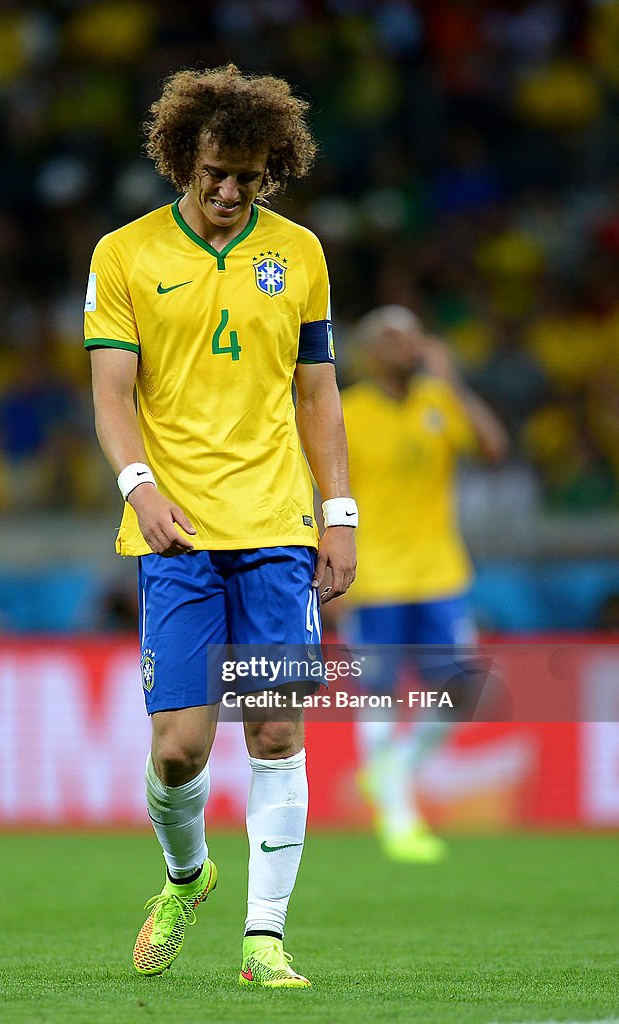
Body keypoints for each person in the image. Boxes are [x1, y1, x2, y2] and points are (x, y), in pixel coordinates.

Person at [84, 65, 357, 987]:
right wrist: (137, 487)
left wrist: (339, 514)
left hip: (277, 525)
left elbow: (317, 394)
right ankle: (186, 875)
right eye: (214, 173)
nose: (230, 191)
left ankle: (265, 940)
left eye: (249, 175)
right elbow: (111, 394)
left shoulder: (302, 254)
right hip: (175, 534)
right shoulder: (122, 256)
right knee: (177, 751)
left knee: (276, 734)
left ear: (271, 167)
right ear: (180, 161)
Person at [340, 305, 507, 862]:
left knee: (464, 689)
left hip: (440, 574)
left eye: (415, 335)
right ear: (370, 351)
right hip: (375, 580)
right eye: (394, 337)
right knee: (382, 696)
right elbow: (320, 492)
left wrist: (451, 379)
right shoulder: (346, 411)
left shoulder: (438, 402)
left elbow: (492, 449)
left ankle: (396, 773)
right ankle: (399, 819)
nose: (409, 346)